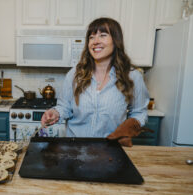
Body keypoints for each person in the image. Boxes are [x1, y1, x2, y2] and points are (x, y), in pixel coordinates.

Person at [41, 17, 150, 147]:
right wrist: (55, 113)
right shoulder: (75, 75)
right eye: (91, 37)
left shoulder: (132, 76)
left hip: (111, 150)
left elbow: (139, 112)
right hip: (76, 149)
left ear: (116, 41)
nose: (95, 41)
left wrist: (130, 126)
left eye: (103, 35)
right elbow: (64, 106)